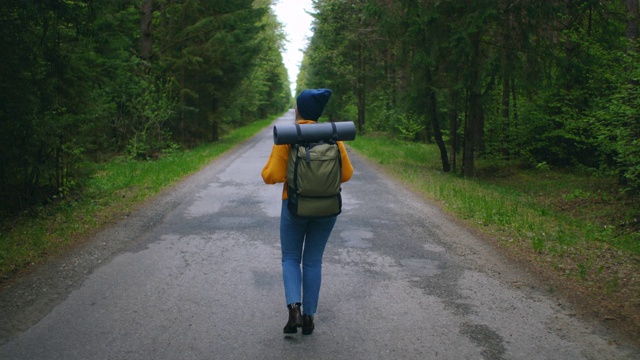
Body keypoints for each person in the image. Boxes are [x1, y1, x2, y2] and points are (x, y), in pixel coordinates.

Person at [261, 89, 354, 335]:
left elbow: (271, 175)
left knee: (291, 258)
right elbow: (347, 174)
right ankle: (310, 318)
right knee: (313, 260)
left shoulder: (291, 137)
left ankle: (294, 311)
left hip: (294, 206)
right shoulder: (333, 137)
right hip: (327, 208)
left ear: (299, 109)